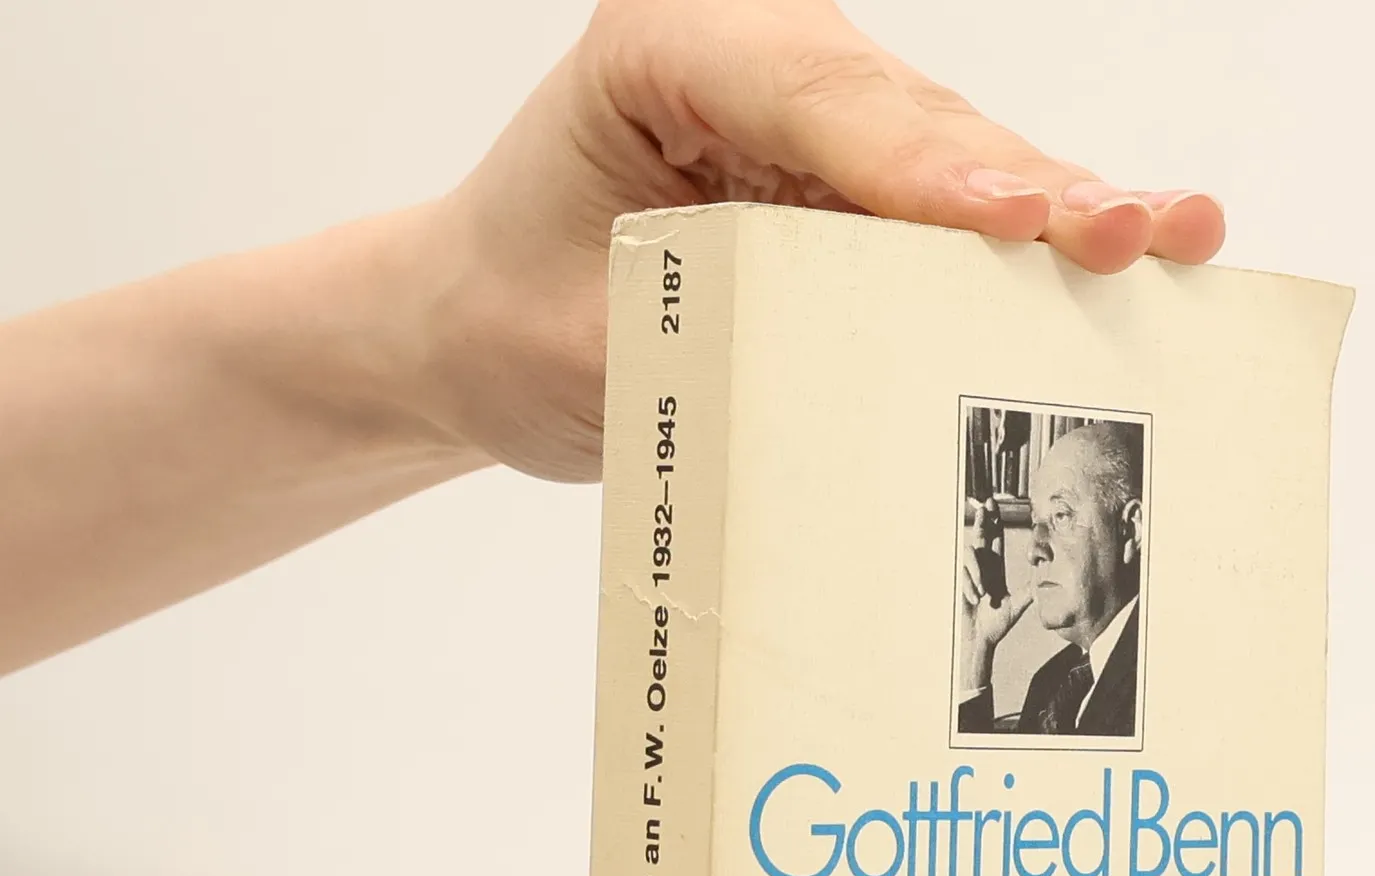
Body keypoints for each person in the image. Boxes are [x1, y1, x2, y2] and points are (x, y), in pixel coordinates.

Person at [0, 0, 1223, 682]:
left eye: (1062, 512)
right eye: (1037, 510)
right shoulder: (1040, 673)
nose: (1029, 538)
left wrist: (444, 316)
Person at [955, 422, 1145, 737]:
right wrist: (976, 649)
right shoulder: (1050, 683)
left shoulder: (1164, 681)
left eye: (1061, 515)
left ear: (1130, 530)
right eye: (1035, 522)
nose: (1034, 550)